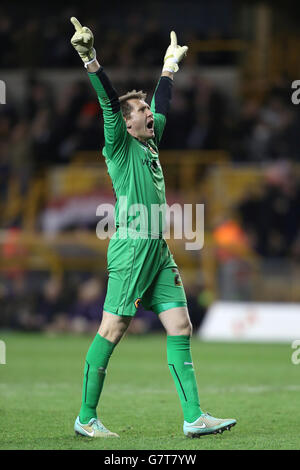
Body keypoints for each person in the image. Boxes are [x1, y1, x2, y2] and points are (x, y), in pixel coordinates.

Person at [70, 17, 236, 439]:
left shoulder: (150, 139)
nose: (149, 114)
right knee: (113, 328)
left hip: (158, 248)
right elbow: (110, 103)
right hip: (129, 246)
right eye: (141, 111)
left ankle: (194, 417)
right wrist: (90, 59)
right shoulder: (120, 143)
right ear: (126, 124)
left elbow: (163, 102)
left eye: (146, 110)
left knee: (181, 325)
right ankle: (86, 418)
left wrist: (169, 69)